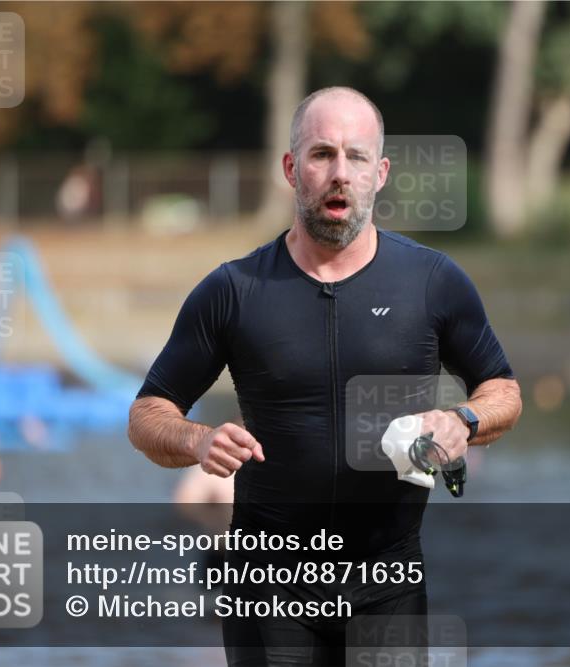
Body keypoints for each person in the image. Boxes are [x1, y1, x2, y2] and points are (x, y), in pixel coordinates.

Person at [128, 86, 522, 665]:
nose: (340, 173)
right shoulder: (234, 290)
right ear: (292, 168)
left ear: (380, 172)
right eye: (322, 154)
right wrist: (199, 439)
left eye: (356, 157)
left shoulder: (434, 282)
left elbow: (503, 391)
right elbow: (146, 414)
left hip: (388, 586)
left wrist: (464, 419)